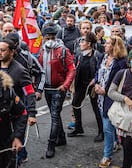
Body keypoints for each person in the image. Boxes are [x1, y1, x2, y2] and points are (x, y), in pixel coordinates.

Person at [38, 24, 75, 158]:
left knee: (54, 116)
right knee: (56, 114)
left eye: (50, 37)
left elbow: (72, 69)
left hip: (59, 88)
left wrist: (65, 85)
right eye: (46, 37)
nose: (48, 39)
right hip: (48, 88)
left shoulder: (62, 50)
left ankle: (51, 145)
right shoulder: (42, 50)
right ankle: (61, 138)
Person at [94, 36, 128, 168]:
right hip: (101, 96)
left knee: (108, 128)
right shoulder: (103, 57)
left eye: (107, 43)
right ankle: (114, 144)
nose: (104, 45)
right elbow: (98, 72)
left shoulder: (121, 62)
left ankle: (107, 155)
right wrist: (96, 83)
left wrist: (106, 89)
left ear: (115, 46)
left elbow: (120, 81)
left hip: (113, 97)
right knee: (108, 126)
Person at [68, 32, 104, 142]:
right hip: (81, 84)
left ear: (89, 44)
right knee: (75, 104)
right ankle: (78, 127)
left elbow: (100, 70)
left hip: (93, 86)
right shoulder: (79, 54)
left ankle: (101, 132)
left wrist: (95, 80)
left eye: (82, 42)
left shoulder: (97, 55)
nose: (80, 43)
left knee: (96, 108)